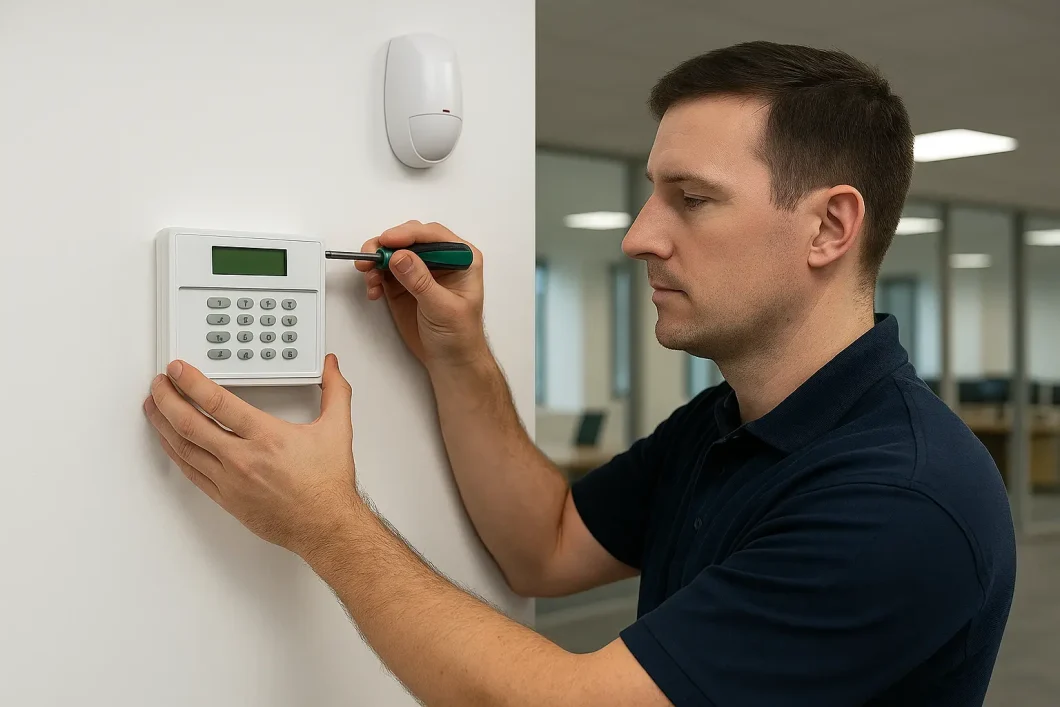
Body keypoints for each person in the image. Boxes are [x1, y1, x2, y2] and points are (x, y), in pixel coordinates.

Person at [142, 41, 1016, 706]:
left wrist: (325, 524)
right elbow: (545, 543)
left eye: (693, 198)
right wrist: (459, 352)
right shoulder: (731, 423)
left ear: (829, 227)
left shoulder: (902, 498)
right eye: (649, 193)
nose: (639, 234)